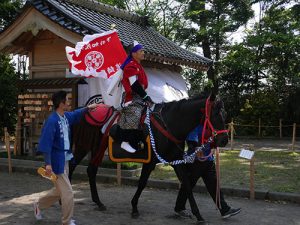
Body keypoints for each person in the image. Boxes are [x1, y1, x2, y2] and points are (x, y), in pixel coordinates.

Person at [33, 91, 99, 225]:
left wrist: (89, 108)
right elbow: (47, 143)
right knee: (68, 193)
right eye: (67, 100)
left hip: (66, 159)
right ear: (61, 103)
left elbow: (76, 114)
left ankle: (38, 205)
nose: (68, 102)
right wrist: (48, 164)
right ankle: (67, 221)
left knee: (59, 191)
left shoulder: (65, 116)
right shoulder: (52, 120)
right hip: (57, 161)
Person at [174, 124, 241, 219]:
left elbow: (213, 140)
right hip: (196, 162)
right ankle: (179, 208)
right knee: (187, 185)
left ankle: (225, 209)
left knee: (214, 186)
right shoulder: (195, 125)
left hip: (208, 161)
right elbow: (191, 141)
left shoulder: (210, 126)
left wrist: (215, 142)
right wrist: (196, 148)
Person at [110, 40, 154, 153]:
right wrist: (145, 97)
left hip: (140, 96)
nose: (144, 53)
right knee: (135, 113)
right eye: (141, 51)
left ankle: (140, 140)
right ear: (134, 53)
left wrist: (145, 97)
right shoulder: (130, 66)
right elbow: (134, 85)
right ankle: (125, 141)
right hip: (132, 97)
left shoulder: (137, 65)